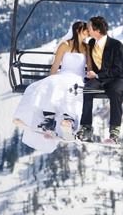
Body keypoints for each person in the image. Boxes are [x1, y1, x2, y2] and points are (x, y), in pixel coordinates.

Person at [13, 21, 92, 153]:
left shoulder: (87, 48)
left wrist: (90, 75)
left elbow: (89, 67)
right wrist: (50, 79)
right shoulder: (65, 45)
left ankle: (69, 119)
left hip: (77, 76)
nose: (88, 32)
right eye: (86, 30)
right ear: (78, 31)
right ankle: (49, 119)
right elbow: (56, 65)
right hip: (63, 74)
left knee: (71, 87)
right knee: (53, 84)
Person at [76, 16, 123, 144]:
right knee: (87, 89)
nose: (88, 29)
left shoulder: (116, 45)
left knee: (116, 92)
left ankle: (114, 129)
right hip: (97, 79)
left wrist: (98, 76)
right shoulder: (92, 43)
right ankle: (86, 127)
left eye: (90, 27)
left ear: (97, 31)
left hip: (114, 79)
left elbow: (118, 69)